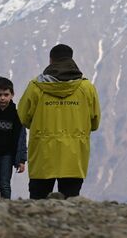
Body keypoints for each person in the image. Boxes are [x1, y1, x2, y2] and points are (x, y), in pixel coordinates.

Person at [18, 43, 101, 200]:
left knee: (37, 203)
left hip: (43, 155)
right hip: (74, 157)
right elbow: (95, 122)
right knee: (70, 202)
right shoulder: (86, 88)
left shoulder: (36, 87)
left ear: (51, 61)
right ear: (71, 59)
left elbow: (23, 117)